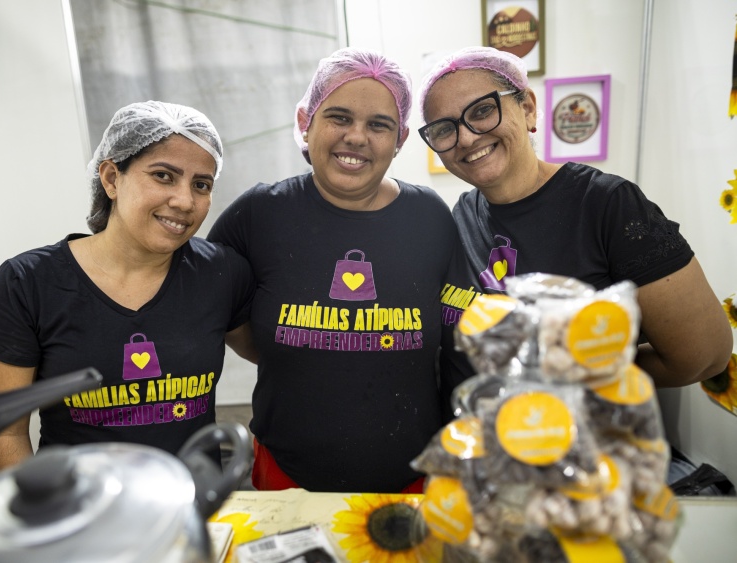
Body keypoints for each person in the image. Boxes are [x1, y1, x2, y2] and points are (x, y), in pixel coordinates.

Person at [416, 46, 733, 400]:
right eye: (444, 129)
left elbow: (705, 357)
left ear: (527, 108)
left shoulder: (607, 205)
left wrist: (577, 375)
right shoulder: (463, 214)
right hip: (469, 433)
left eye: (483, 110)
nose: (466, 137)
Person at [208, 48, 457, 493]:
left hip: (412, 473)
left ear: (400, 138)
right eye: (339, 117)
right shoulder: (259, 215)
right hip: (286, 472)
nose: (356, 137)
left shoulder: (430, 218)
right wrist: (295, 352)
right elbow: (217, 307)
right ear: (306, 122)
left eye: (378, 125)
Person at [0, 101, 255, 475]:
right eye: (163, 176)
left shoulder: (221, 273)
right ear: (112, 178)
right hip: (81, 502)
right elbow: (4, 433)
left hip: (195, 498)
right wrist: (41, 507)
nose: (184, 201)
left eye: (201, 185)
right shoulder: (27, 284)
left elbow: (280, 357)